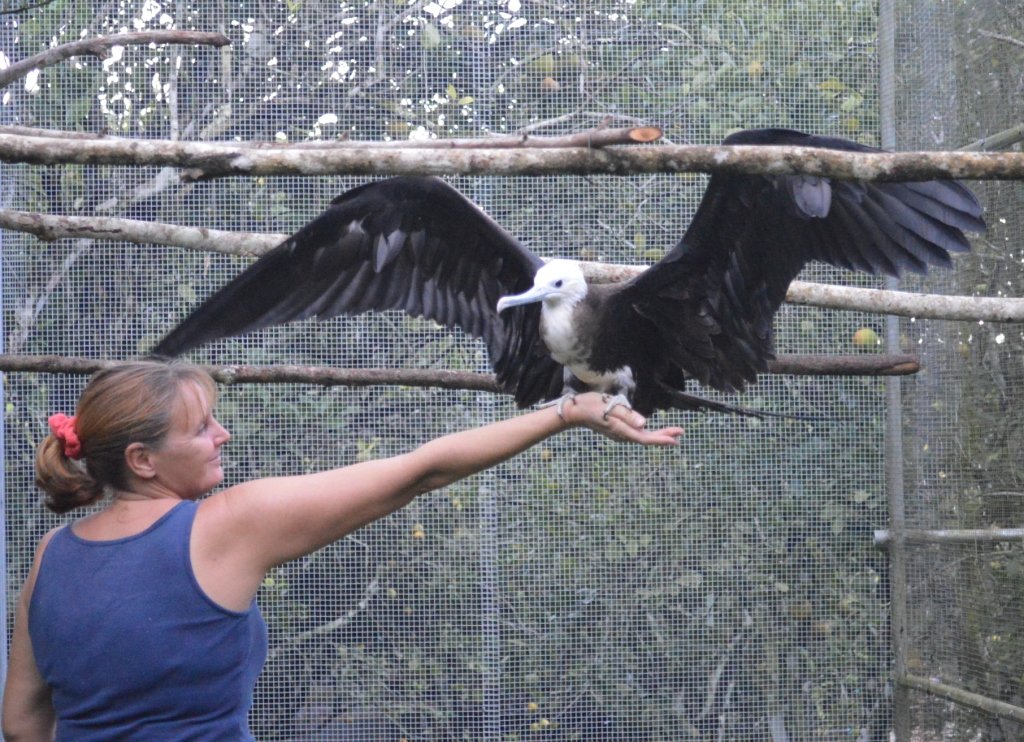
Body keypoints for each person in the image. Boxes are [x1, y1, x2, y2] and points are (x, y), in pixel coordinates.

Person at [1, 360, 682, 740]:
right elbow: (420, 470)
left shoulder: (51, 557)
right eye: (202, 428)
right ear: (144, 460)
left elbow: (22, 718)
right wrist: (567, 413)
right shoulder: (223, 526)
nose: (224, 435)